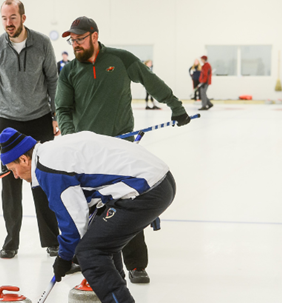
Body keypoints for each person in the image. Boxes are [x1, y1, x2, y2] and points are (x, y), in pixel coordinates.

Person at [0, 127, 176, 303]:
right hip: (159, 181)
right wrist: (67, 254)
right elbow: (84, 212)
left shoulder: (49, 168)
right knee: (101, 242)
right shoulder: (51, 152)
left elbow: (73, 223)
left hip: (147, 188)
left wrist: (65, 257)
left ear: (23, 159)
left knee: (90, 252)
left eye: (12, 170)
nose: (15, 176)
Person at [55, 16, 190, 284]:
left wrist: (175, 106)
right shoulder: (69, 71)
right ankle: (82, 256)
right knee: (84, 205)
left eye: (79, 39)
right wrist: (73, 140)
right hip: (87, 153)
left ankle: (136, 264)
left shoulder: (120, 59)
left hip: (119, 149)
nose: (75, 44)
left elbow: (151, 82)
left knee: (126, 202)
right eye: (72, 40)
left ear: (94, 36)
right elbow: (63, 109)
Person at [0, 0, 61, 260]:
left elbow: (52, 80)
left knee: (44, 181)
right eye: (4, 18)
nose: (8, 23)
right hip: (9, 122)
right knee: (11, 186)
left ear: (23, 17)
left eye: (13, 17)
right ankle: (11, 240)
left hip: (40, 120)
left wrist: (55, 114)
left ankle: (52, 240)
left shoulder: (42, 43)